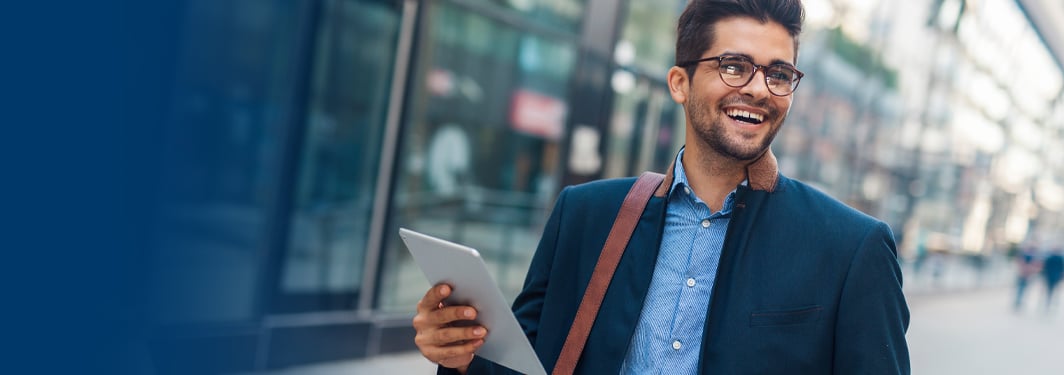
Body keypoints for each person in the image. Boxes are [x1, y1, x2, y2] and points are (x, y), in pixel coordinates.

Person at [411, 0, 910, 373]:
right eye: (735, 66)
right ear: (679, 83)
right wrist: (459, 353)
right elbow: (525, 365)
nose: (759, 88)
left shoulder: (851, 248)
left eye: (779, 73)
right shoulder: (585, 215)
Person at [1015, 245, 1040, 311]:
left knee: (1022, 288)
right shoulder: (1030, 256)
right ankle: (1018, 301)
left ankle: (1019, 301)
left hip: (1027, 275)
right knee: (1022, 288)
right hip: (1025, 274)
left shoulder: (1030, 256)